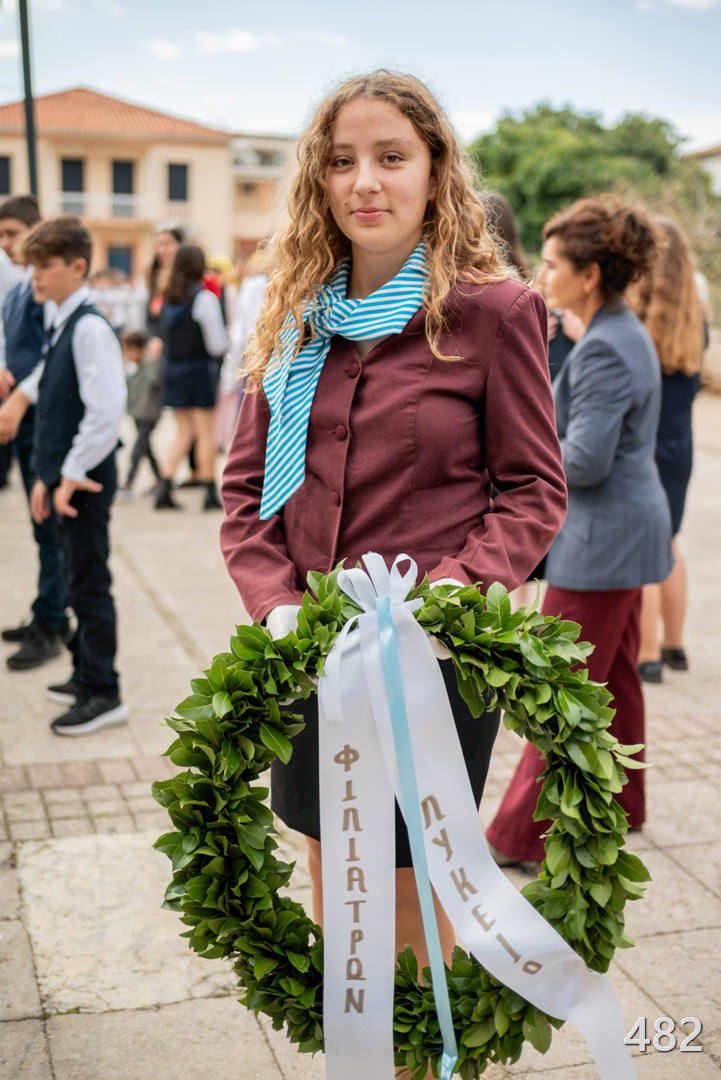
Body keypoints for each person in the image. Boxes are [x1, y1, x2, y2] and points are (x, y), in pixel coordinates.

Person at [218, 70, 567, 997]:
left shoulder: (495, 312)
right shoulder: (294, 317)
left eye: (390, 157)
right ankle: (359, 1050)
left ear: (434, 170)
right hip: (306, 655)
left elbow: (533, 489)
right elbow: (247, 496)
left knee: (412, 898)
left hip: (431, 663)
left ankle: (420, 1054)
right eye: (341, 162)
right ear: (318, 180)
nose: (364, 181)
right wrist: (276, 607)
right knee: (329, 873)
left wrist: (455, 591)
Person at [486, 196, 673, 865]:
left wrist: (511, 463)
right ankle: (626, 802)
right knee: (615, 678)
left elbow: (585, 462)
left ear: (589, 275)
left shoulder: (604, 349)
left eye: (552, 263)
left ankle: (514, 836)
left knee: (558, 688)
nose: (541, 273)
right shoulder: (615, 331)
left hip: (603, 541)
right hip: (624, 531)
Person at [1, 216, 128, 735]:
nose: (34, 275)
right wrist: (44, 476)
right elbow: (50, 388)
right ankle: (84, 672)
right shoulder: (62, 319)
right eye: (31, 265)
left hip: (86, 480)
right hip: (66, 477)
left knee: (89, 582)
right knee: (75, 577)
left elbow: (106, 410)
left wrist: (70, 474)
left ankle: (104, 690)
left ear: (77, 267)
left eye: (45, 265)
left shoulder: (90, 327)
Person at [627, 219, 706, 682]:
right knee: (670, 541)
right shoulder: (695, 319)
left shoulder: (637, 321)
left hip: (644, 445)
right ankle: (675, 645)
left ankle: (648, 654)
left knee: (645, 548)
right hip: (680, 446)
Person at [0, 195, 69, 670]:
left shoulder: (45, 288)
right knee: (39, 522)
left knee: (50, 526)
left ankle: (52, 624)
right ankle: (47, 609)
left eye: (12, 233)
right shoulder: (22, 284)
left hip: (45, 420)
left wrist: (22, 393)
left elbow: (54, 353)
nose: (5, 243)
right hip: (26, 418)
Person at [154, 244, 228, 510]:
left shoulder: (168, 298)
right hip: (198, 369)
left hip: (173, 368)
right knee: (205, 433)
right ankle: (209, 490)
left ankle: (164, 485)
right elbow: (217, 345)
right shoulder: (204, 298)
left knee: (184, 431)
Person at [117, 329, 162, 497]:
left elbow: (155, 382)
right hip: (137, 413)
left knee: (138, 449)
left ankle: (128, 483)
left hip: (149, 414)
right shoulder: (130, 367)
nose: (127, 354)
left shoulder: (152, 364)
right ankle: (161, 480)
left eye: (129, 350)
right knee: (146, 449)